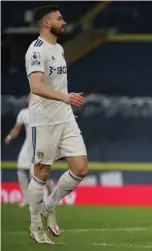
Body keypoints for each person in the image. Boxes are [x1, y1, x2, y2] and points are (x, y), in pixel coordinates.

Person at [25, 5, 88, 244]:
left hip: (65, 116)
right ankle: (34, 226)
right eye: (58, 18)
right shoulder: (36, 51)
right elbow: (36, 87)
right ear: (45, 23)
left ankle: (49, 206)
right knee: (41, 173)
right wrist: (66, 97)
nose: (63, 21)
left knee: (80, 169)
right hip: (44, 120)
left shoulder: (59, 48)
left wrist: (66, 102)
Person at [4, 93, 54, 207]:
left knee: (34, 174)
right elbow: (16, 129)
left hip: (39, 146)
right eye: (29, 96)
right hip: (27, 145)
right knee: (21, 170)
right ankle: (27, 198)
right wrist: (9, 137)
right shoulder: (23, 113)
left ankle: (42, 199)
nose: (30, 98)